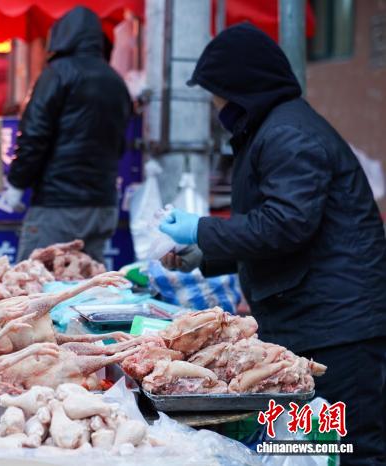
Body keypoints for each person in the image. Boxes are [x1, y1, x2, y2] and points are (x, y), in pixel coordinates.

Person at [159, 23, 386, 465]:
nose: (215, 105)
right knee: (308, 448)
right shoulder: (268, 129)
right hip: (309, 317)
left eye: (217, 94)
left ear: (240, 88)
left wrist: (202, 230)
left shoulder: (288, 134)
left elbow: (286, 225)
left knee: (351, 448)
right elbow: (273, 229)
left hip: (338, 327)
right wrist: (205, 253)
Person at [5, 6, 132, 263]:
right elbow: (119, 144)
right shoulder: (116, 81)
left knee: (32, 281)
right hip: (103, 205)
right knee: (89, 281)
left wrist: (17, 182)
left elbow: (34, 135)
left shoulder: (57, 73)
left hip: (58, 206)